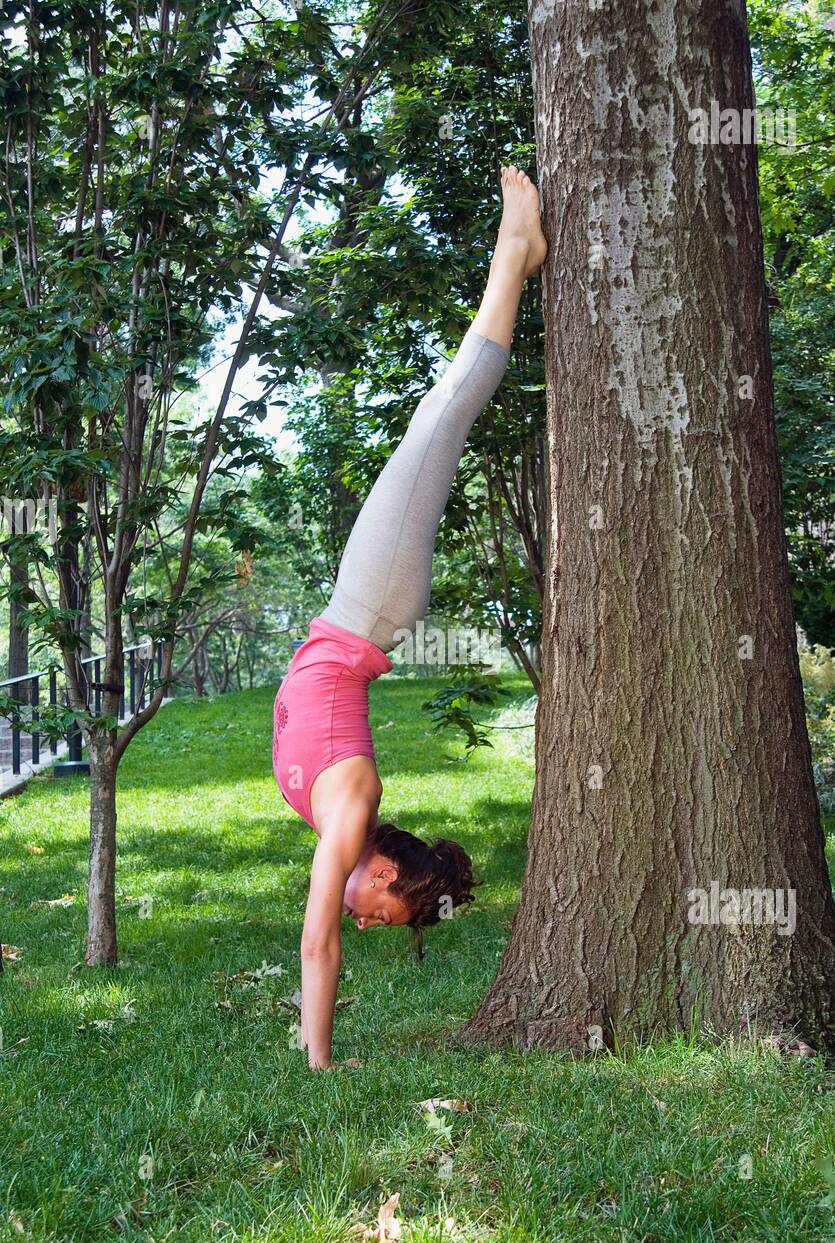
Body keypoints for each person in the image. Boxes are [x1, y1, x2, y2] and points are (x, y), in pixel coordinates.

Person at [272, 166, 547, 1068]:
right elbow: (319, 943)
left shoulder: (339, 824)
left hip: (361, 607)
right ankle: (515, 256)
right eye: (383, 912)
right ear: (384, 874)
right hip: (373, 601)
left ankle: (514, 258)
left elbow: (321, 934)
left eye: (376, 922)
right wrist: (321, 1060)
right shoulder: (349, 815)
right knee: (441, 417)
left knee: (438, 422)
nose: (364, 917)